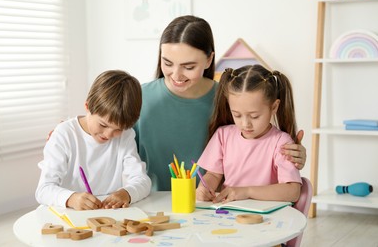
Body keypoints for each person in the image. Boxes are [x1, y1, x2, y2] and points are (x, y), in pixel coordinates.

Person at [134, 15, 306, 191]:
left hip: (213, 207)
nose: (176, 75)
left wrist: (293, 155)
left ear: (209, 60)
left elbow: (260, 144)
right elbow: (117, 150)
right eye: (167, 63)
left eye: (189, 67)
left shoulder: (230, 98)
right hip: (150, 204)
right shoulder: (139, 97)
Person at [35, 70, 151, 210]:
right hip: (70, 216)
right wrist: (71, 198)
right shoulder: (64, 134)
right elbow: (43, 190)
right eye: (103, 125)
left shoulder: (126, 136)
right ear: (88, 106)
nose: (108, 134)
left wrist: (126, 193)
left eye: (118, 129)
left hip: (108, 216)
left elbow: (143, 181)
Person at [196, 65, 301, 203]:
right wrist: (204, 188)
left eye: (255, 116)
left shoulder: (281, 142)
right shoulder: (223, 135)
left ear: (274, 107)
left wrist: (247, 192)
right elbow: (213, 175)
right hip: (229, 211)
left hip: (267, 216)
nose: (245, 124)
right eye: (237, 115)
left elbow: (292, 191)